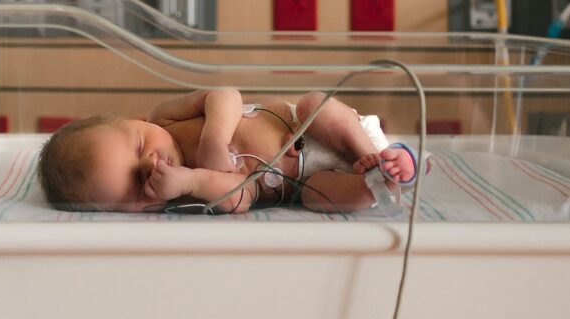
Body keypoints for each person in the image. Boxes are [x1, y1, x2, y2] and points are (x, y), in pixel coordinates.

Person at [38, 88, 419, 215]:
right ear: (142, 208)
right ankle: (379, 181)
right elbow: (243, 198)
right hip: (311, 180)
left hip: (317, 130)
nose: (150, 163)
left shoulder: (165, 119)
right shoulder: (187, 196)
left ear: (137, 121)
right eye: (138, 182)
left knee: (314, 103)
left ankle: (371, 153)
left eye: (139, 144)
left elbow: (224, 94)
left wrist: (214, 140)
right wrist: (191, 179)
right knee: (319, 198)